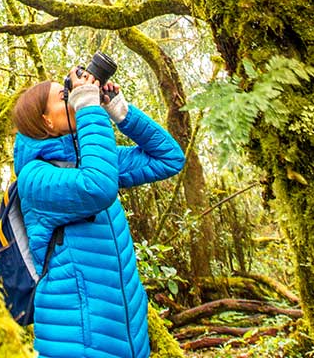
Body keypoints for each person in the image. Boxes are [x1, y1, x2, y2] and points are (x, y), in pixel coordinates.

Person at [11, 62, 185, 358]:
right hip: (77, 340)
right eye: (64, 97)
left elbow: (169, 158)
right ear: (47, 122)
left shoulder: (90, 161)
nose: (74, 96)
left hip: (126, 335)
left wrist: (120, 111)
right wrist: (89, 106)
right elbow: (98, 186)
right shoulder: (34, 178)